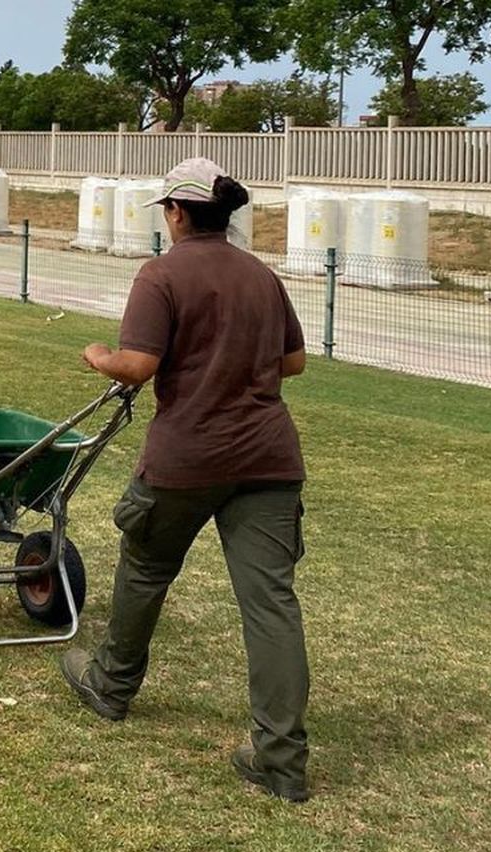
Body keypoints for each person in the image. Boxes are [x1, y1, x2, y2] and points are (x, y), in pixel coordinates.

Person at [58, 158, 312, 803]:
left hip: (188, 457)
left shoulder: (162, 273)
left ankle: (111, 687)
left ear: (176, 212)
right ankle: (281, 759)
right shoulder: (262, 275)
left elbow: (137, 366)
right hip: (269, 460)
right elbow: (295, 363)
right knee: (271, 603)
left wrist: (98, 357)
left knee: (145, 567)